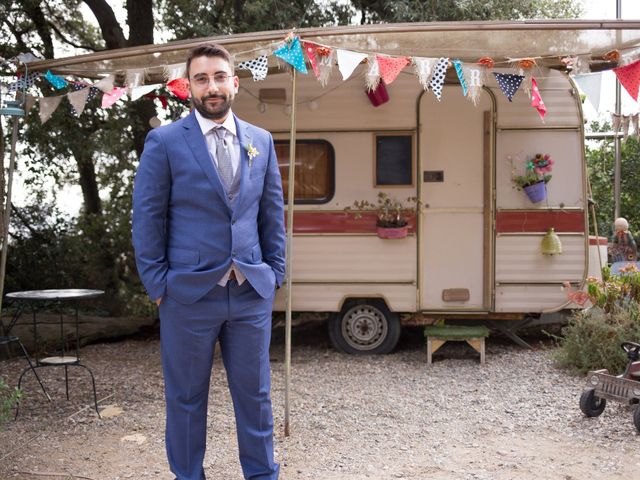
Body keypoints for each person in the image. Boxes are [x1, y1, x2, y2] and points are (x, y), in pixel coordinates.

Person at [132, 43, 285, 480]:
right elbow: (147, 218)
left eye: (219, 76)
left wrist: (274, 273)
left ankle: (261, 475)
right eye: (201, 78)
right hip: (188, 295)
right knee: (185, 399)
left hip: (251, 291)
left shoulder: (261, 140)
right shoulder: (164, 142)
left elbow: (272, 213)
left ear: (235, 83)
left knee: (255, 397)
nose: (212, 86)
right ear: (188, 87)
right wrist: (159, 285)